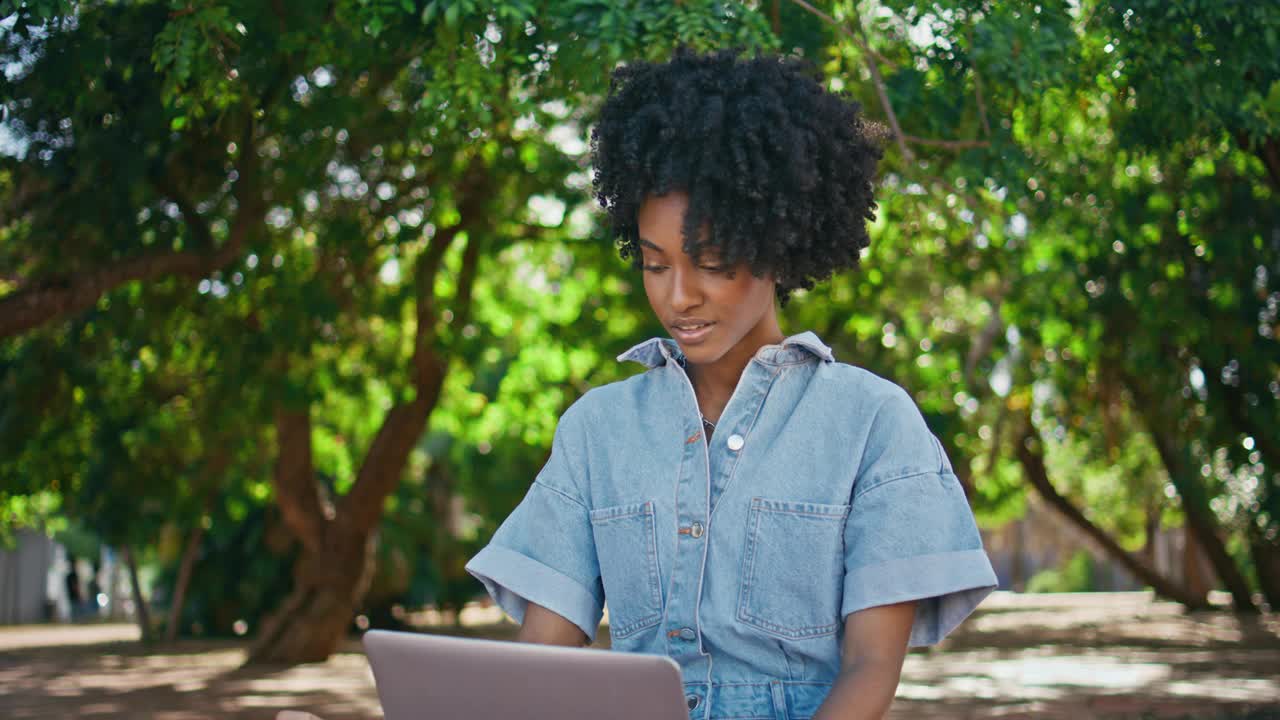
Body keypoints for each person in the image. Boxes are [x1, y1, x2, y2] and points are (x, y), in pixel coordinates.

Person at [465, 48, 998, 720]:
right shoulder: (597, 430)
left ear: (778, 242)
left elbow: (869, 667)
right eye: (655, 265)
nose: (680, 296)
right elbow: (542, 656)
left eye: (712, 262)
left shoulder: (872, 423)